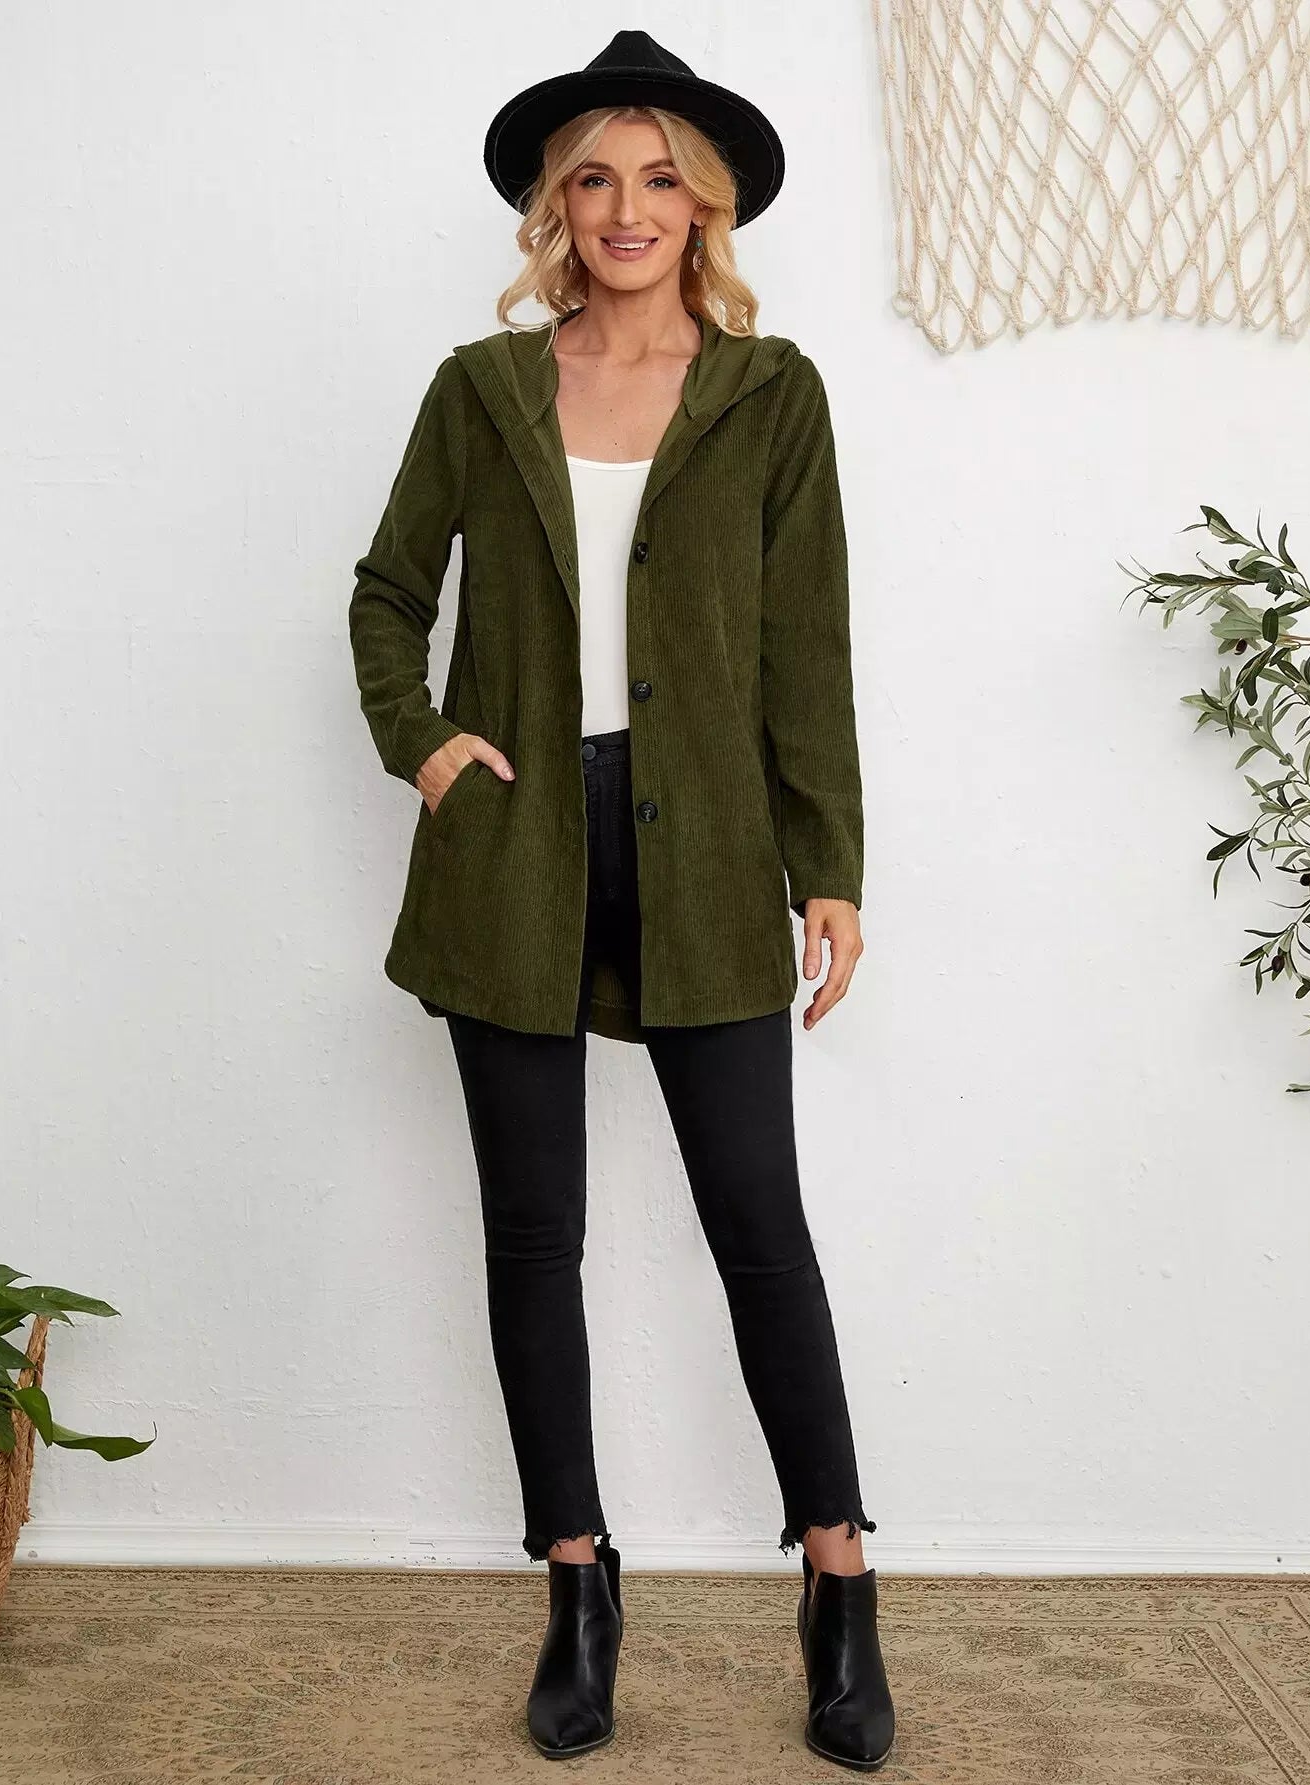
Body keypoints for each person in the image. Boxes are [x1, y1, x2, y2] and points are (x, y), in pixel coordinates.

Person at [347, 28, 895, 1773]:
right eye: (594, 177)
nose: (628, 206)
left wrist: (830, 864)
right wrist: (427, 745)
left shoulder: (771, 394)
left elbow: (806, 647)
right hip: (517, 844)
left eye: (662, 179)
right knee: (535, 1234)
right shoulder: (481, 389)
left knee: (760, 1227)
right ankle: (577, 1587)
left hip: (709, 844)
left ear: (706, 208)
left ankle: (841, 1584)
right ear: (556, 208)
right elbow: (384, 593)